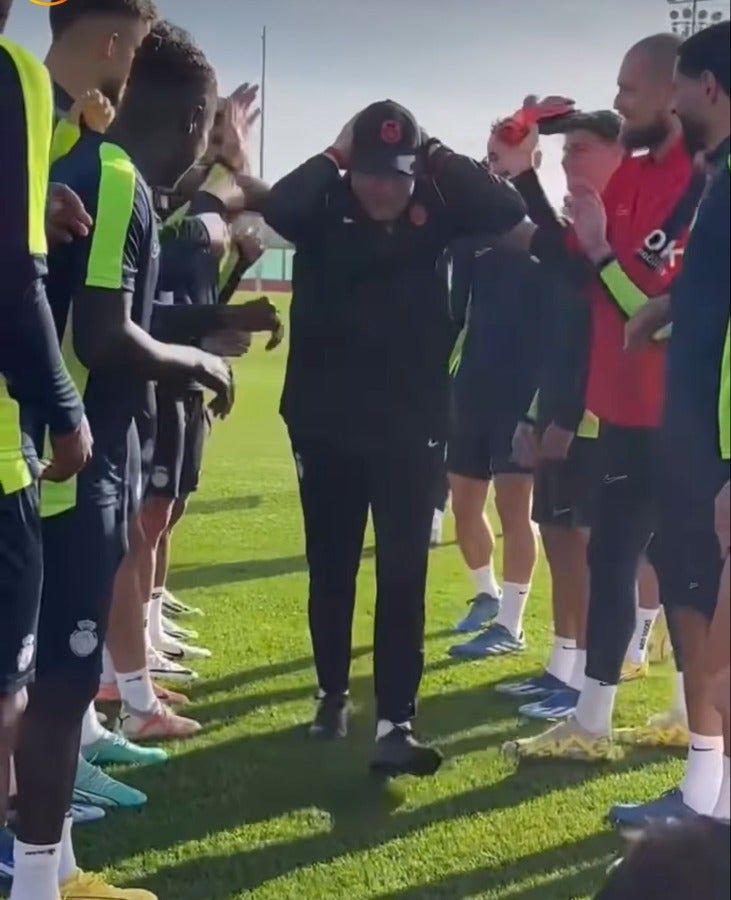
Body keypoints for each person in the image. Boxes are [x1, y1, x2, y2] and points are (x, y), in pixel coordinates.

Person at [11, 22, 232, 900]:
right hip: (74, 465)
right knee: (60, 690)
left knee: (49, 688)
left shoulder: (80, 167)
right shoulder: (110, 176)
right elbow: (103, 334)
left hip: (69, 455)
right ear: (187, 126)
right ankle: (41, 883)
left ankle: (55, 868)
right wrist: (198, 362)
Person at [262, 100, 533, 777]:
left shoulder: (439, 204)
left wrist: (436, 157)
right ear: (352, 165)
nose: (385, 188)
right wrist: (333, 154)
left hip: (411, 426)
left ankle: (396, 721)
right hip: (326, 423)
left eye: (400, 175)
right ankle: (330, 695)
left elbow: (502, 213)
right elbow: (278, 210)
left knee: (404, 575)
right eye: (372, 172)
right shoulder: (324, 201)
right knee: (331, 568)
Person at [501, 33, 705, 764]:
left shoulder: (697, 183)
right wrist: (525, 183)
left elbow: (649, 311)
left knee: (680, 572)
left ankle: (690, 724)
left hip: (674, 418)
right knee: (613, 561)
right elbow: (582, 278)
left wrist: (595, 251)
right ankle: (594, 723)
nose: (618, 103)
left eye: (628, 90)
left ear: (673, 93)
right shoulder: (633, 176)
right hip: (616, 411)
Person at [609, 21, 730, 827]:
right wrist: (667, 306)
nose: (675, 101)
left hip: (716, 450)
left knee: (710, 626)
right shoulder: (715, 178)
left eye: (682, 85)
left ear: (708, 88)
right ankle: (706, 797)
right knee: (692, 602)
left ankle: (708, 804)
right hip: (696, 441)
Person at [0, 0, 91, 833]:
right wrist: (64, 409)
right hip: (0, 453)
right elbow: (12, 273)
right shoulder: (15, 73)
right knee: (6, 695)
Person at [445, 149, 543, 656]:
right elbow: (456, 317)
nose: (494, 170)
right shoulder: (467, 240)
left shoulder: (543, 236)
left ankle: (512, 623)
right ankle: (486, 595)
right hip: (471, 389)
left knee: (514, 510)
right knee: (463, 505)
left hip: (520, 391)